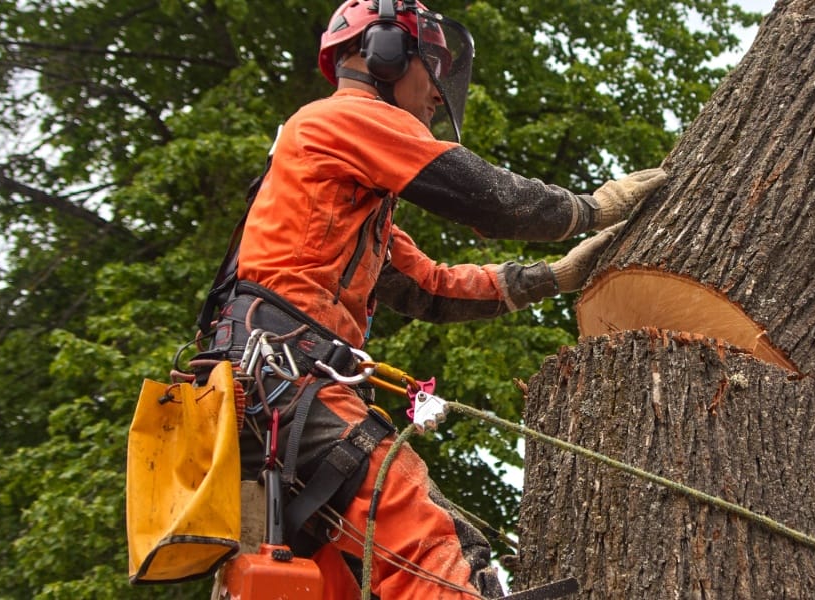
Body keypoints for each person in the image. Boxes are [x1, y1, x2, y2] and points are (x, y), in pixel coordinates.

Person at [195, 0, 667, 597]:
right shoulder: (342, 120)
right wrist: (589, 209)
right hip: (287, 378)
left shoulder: (336, 186)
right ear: (383, 55)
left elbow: (429, 287)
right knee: (431, 542)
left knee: (322, 583)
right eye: (431, 66)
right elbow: (487, 195)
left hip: (272, 388)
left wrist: (552, 277)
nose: (437, 94)